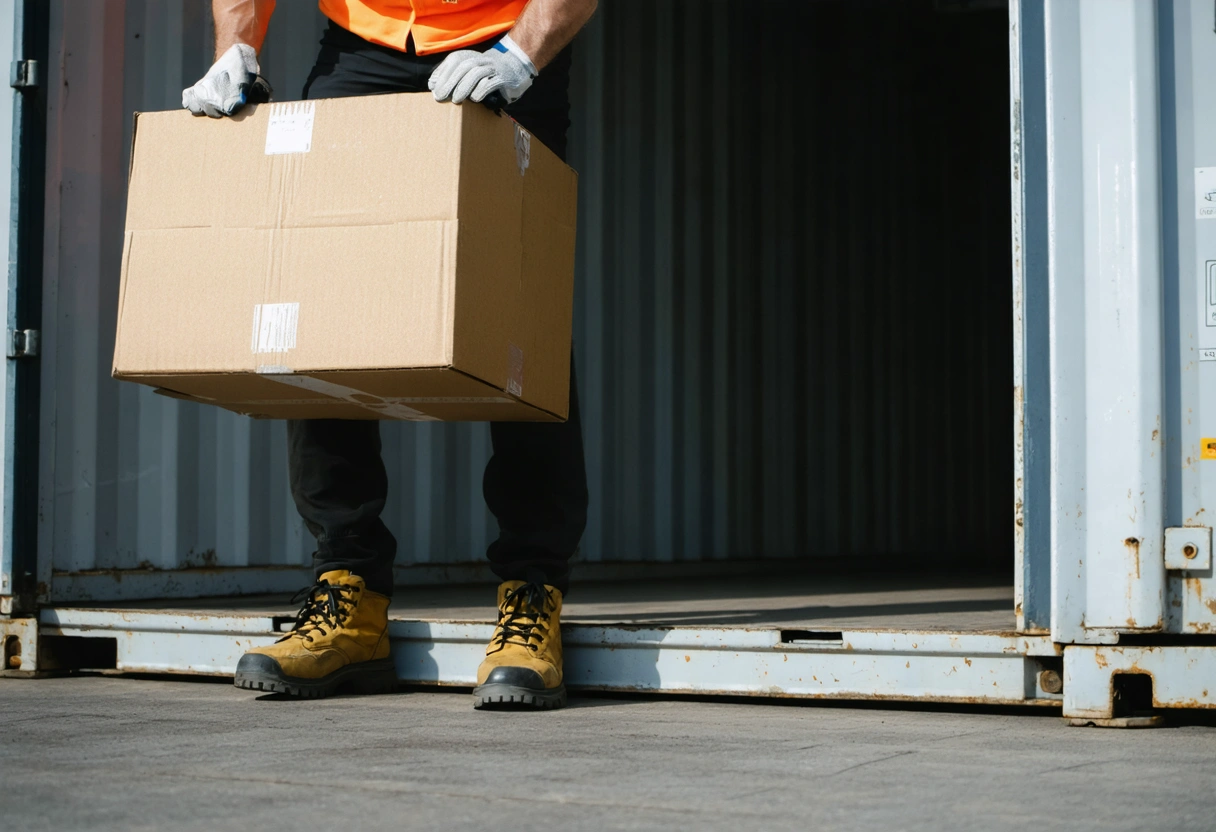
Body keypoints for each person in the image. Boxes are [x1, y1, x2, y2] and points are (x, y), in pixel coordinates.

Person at [182, 0, 596, 710]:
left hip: (497, 37)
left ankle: (532, 592)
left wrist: (521, 56)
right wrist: (235, 48)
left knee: (514, 299)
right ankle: (350, 590)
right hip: (363, 43)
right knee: (320, 296)